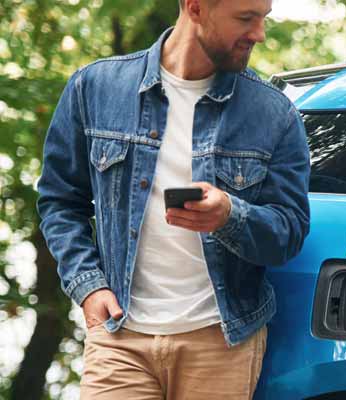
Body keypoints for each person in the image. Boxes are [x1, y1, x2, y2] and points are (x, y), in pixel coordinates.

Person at [36, 0, 310, 398]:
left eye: (263, 18)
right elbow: (60, 201)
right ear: (195, 7)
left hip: (221, 344)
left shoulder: (275, 114)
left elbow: (290, 232)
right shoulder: (95, 88)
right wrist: (89, 286)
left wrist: (230, 216)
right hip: (120, 338)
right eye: (246, 18)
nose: (259, 34)